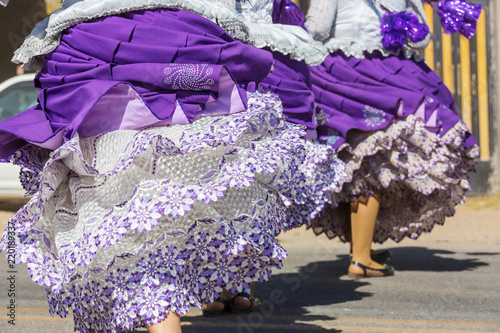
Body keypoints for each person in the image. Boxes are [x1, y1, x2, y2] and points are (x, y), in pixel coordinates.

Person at [0, 0, 346, 331]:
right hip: (179, 38)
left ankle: (195, 295)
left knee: (105, 199)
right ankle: (219, 290)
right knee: (155, 193)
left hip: (102, 45)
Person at [304, 0, 480, 277]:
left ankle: (360, 253)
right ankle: (360, 254)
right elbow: (422, 40)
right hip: (393, 76)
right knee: (371, 162)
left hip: (344, 74)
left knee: (364, 161)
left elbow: (317, 28)